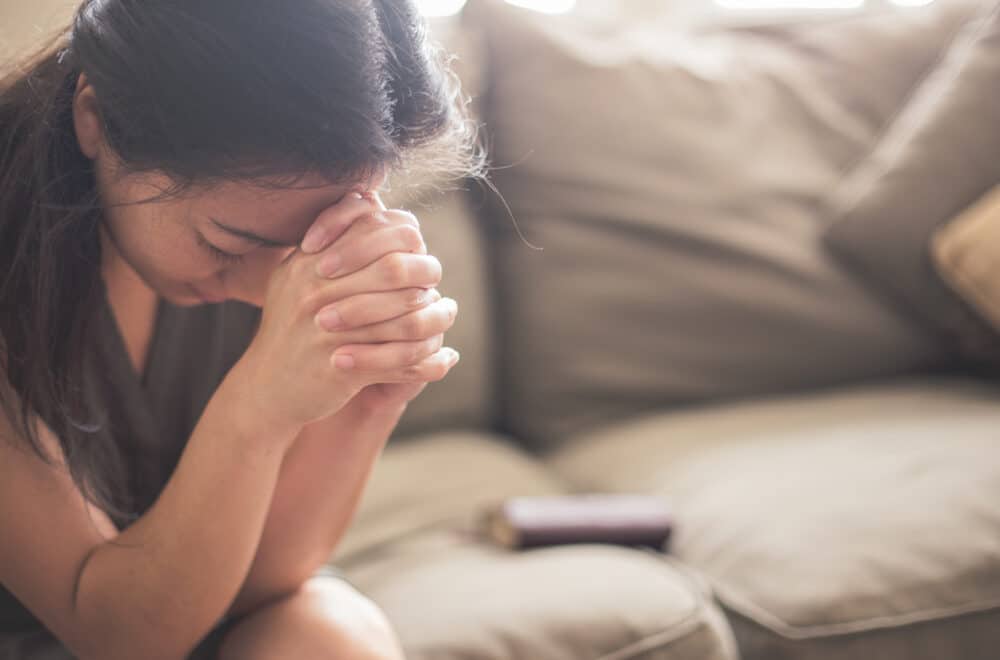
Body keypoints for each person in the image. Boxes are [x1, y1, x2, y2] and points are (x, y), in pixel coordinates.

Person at [0, 0, 482, 657]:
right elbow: (113, 634)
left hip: (181, 610)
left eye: (300, 246)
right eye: (227, 242)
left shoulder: (272, 215)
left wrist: (368, 394)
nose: (268, 290)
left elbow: (265, 585)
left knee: (327, 631)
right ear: (97, 118)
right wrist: (259, 406)